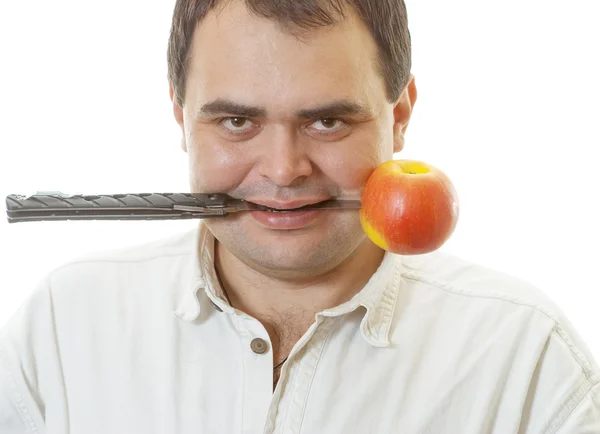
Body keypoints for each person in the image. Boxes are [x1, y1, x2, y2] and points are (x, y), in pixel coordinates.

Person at [1, 0, 599, 432]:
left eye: (327, 121)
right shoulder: (63, 323)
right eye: (237, 121)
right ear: (180, 117)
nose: (284, 170)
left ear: (400, 115)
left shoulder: (526, 358)